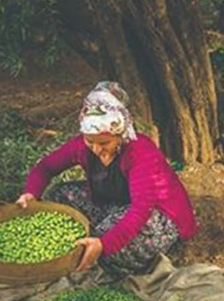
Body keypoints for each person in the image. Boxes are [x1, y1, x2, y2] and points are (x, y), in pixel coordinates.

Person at [16, 81, 197, 275]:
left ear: (119, 134)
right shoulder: (81, 146)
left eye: (104, 142)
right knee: (59, 194)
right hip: (114, 202)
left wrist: (104, 244)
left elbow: (141, 209)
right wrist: (30, 193)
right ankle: (100, 235)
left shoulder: (141, 152)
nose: (96, 148)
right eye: (90, 141)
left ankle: (103, 246)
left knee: (108, 247)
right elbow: (44, 168)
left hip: (157, 215)